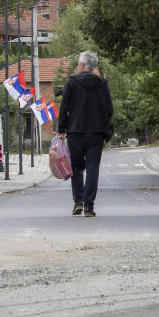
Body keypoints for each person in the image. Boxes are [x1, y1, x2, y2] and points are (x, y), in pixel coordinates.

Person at [56, 51, 113, 217]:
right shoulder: (102, 84)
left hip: (75, 131)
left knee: (76, 167)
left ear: (82, 66)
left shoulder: (72, 82)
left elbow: (64, 107)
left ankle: (78, 201)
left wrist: (61, 129)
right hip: (96, 132)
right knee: (93, 168)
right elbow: (109, 109)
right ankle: (89, 206)